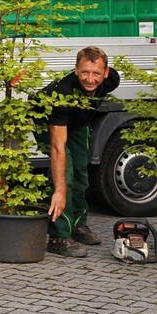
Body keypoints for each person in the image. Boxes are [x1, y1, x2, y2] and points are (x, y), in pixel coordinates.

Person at [37, 46, 121, 258]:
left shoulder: (112, 80)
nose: (90, 79)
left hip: (78, 123)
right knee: (65, 174)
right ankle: (58, 237)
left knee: (82, 172)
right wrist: (59, 190)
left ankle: (77, 225)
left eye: (96, 73)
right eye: (85, 72)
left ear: (106, 72)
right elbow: (58, 147)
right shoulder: (62, 93)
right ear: (75, 70)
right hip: (48, 122)